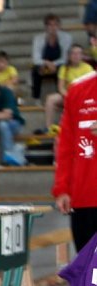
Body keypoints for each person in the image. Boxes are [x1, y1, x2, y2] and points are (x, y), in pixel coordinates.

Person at [51, 71, 97, 252]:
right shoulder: (79, 89)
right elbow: (66, 146)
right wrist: (62, 187)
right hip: (85, 198)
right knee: (89, 272)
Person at [43, 44, 94, 133]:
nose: (76, 56)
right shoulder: (64, 68)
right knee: (50, 99)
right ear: (69, 56)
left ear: (82, 56)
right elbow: (61, 87)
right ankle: (48, 127)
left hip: (84, 98)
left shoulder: (88, 68)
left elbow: (91, 88)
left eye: (78, 53)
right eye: (73, 53)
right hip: (68, 96)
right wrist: (69, 96)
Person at [31, 13, 73, 104]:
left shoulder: (67, 37)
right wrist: (46, 63)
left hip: (59, 64)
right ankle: (36, 98)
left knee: (62, 70)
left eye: (55, 25)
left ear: (59, 26)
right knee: (35, 70)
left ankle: (60, 96)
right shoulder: (38, 39)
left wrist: (53, 64)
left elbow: (65, 57)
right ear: (46, 27)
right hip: (44, 65)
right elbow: (36, 58)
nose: (53, 27)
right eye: (50, 25)